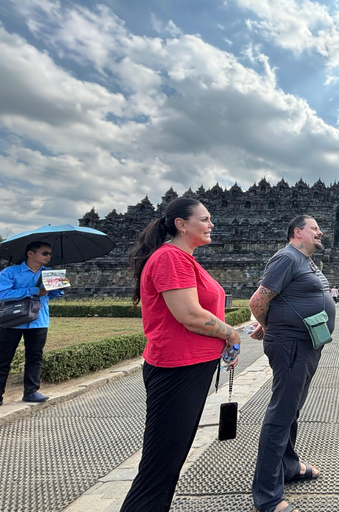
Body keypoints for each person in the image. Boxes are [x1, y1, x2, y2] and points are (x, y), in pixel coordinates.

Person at [121, 197, 241, 512]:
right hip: (177, 369)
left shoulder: (182, 258)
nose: (211, 224)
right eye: (204, 219)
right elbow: (189, 315)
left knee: (169, 462)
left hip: (190, 367)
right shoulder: (170, 258)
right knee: (159, 467)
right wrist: (230, 333)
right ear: (181, 224)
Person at [248, 215, 335, 512]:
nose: (320, 232)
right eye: (314, 228)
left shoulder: (304, 260)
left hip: (305, 343)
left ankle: (288, 466)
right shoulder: (286, 257)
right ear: (297, 232)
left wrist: (272, 323)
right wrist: (270, 325)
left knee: (292, 409)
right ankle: (267, 496)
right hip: (291, 345)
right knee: (281, 414)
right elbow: (257, 301)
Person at [0, 242, 64, 416]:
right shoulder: (10, 272)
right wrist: (33, 290)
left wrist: (58, 288)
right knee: (3, 359)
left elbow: (53, 295)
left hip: (39, 320)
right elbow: (0, 294)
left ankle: (31, 391)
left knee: (34, 357)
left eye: (50, 253)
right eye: (44, 253)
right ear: (30, 253)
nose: (48, 257)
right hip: (12, 320)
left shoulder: (49, 273)